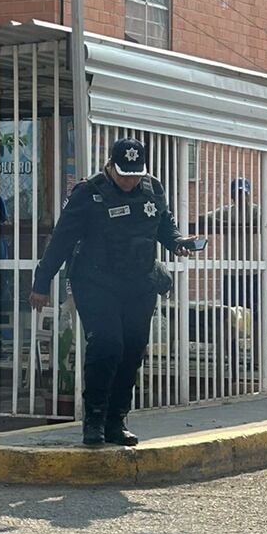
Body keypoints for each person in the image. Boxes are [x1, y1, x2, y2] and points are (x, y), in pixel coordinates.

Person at [29, 137, 193, 446]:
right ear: (109, 167)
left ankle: (116, 420)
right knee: (107, 345)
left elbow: (164, 225)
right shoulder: (88, 193)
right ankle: (94, 421)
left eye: (135, 174)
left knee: (132, 349)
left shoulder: (152, 188)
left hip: (139, 283)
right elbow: (62, 239)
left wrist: (179, 242)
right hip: (96, 282)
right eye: (124, 174)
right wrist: (41, 283)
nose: (130, 180)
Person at [201, 178, 261, 381]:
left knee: (256, 317)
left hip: (251, 271)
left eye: (245, 193)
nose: (241, 197)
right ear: (233, 195)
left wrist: (232, 225)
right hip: (231, 273)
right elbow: (205, 218)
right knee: (229, 317)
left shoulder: (255, 210)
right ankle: (232, 359)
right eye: (238, 193)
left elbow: (261, 221)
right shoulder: (227, 211)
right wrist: (224, 223)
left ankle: (257, 359)